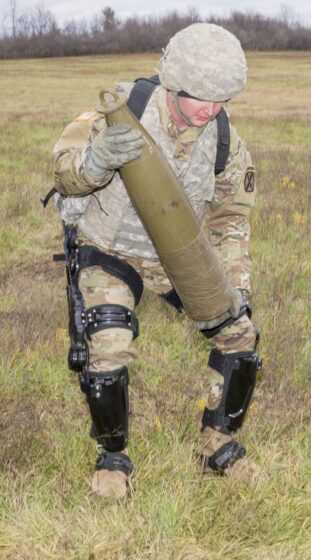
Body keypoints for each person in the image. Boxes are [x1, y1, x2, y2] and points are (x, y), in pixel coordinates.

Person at [49, 23, 262, 499]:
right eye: (200, 97)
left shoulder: (223, 139)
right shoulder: (121, 114)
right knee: (108, 340)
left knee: (240, 335)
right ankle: (113, 457)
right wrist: (96, 162)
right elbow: (62, 173)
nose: (210, 109)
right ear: (173, 83)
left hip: (177, 256)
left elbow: (231, 220)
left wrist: (237, 286)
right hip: (111, 249)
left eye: (222, 99)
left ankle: (217, 446)